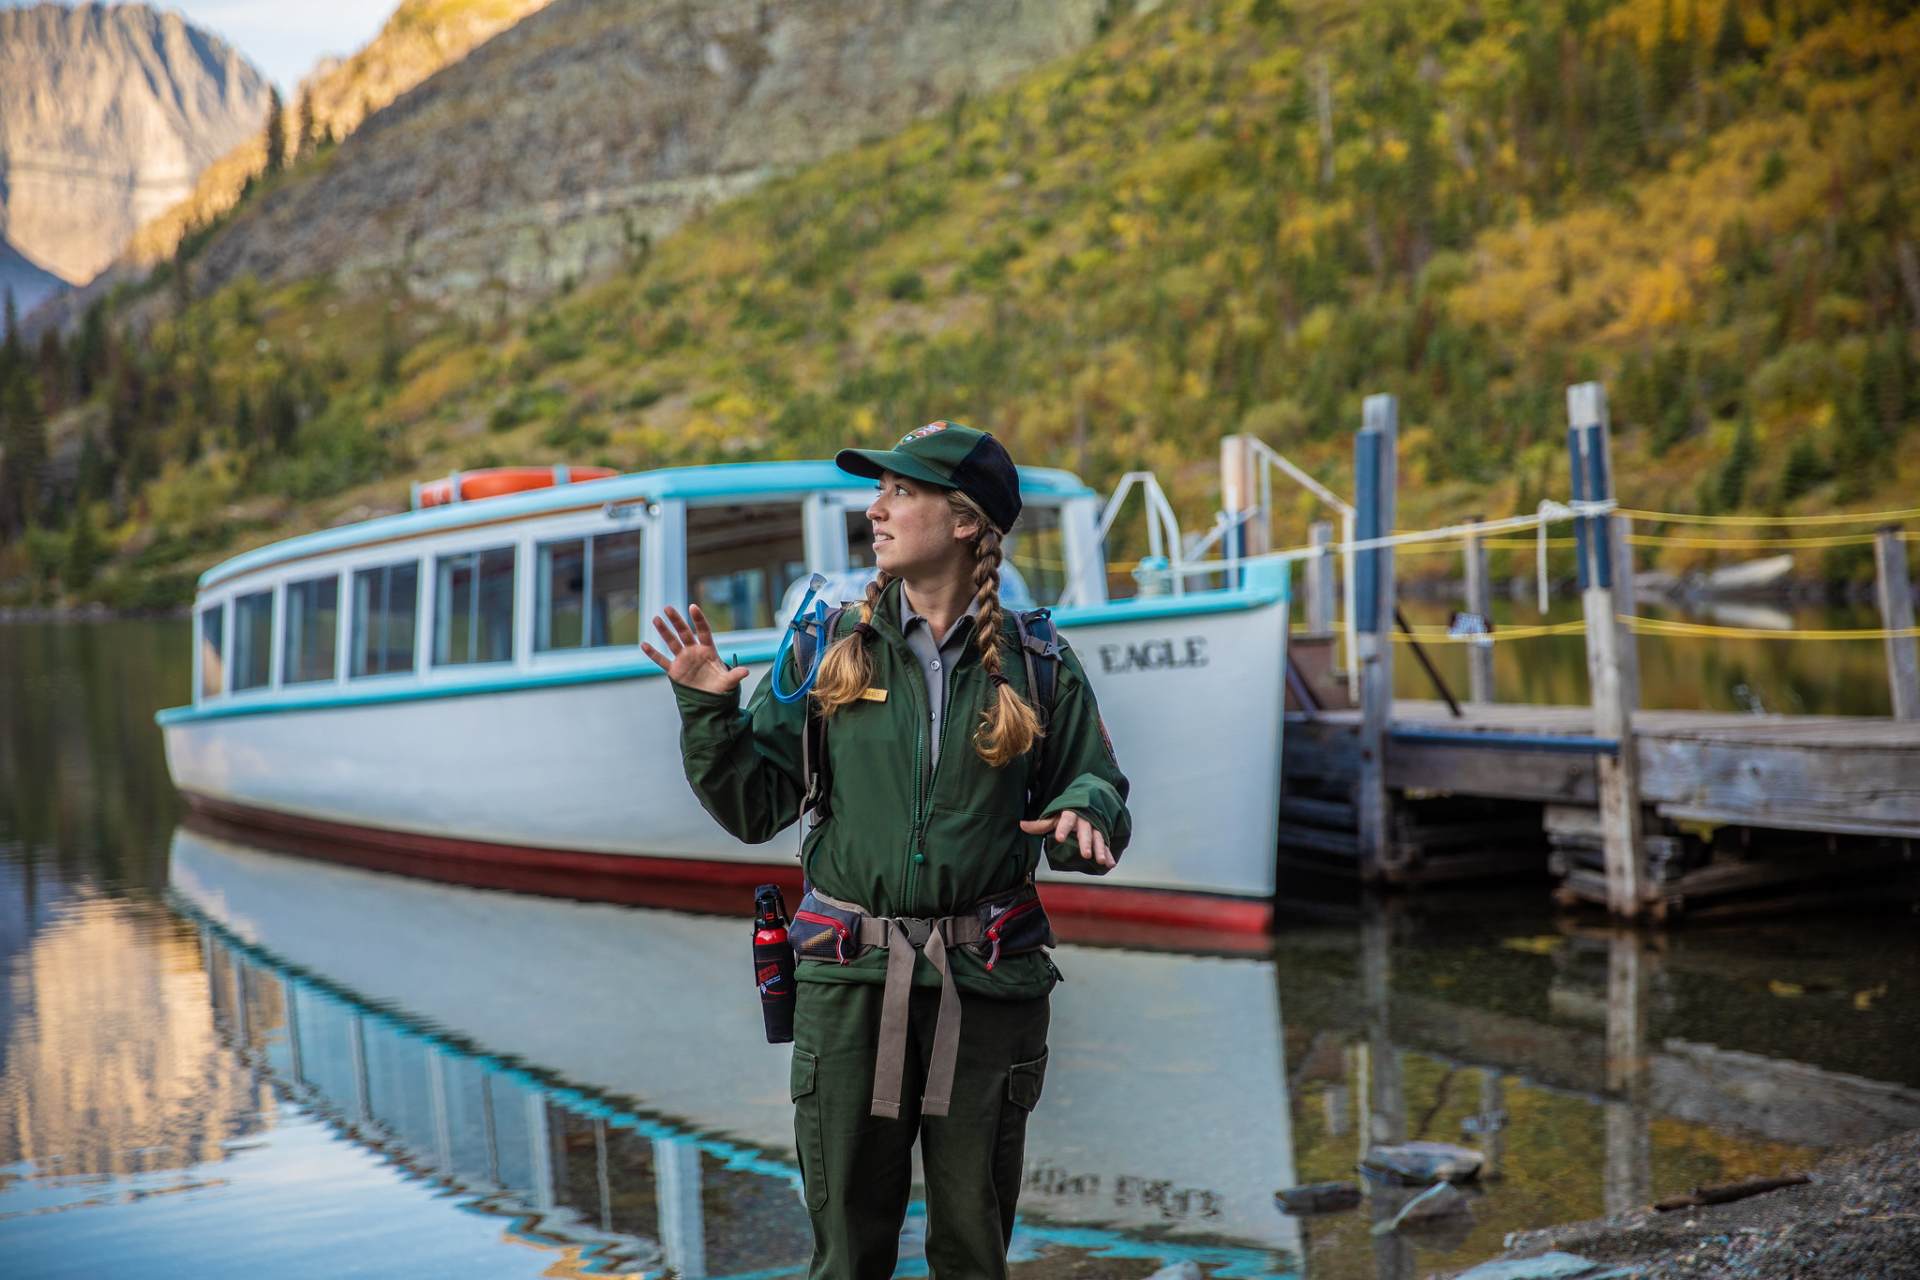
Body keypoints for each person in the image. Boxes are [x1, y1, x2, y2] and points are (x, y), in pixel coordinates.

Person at [643, 421, 1131, 1279]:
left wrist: (1086, 817)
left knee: (973, 1255)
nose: (876, 509)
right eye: (880, 491)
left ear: (967, 521)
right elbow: (754, 809)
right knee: (846, 1259)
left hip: (988, 989)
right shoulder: (826, 643)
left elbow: (1095, 790)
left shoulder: (1040, 662)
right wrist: (706, 713)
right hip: (845, 989)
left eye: (902, 492)